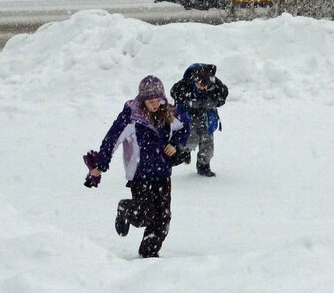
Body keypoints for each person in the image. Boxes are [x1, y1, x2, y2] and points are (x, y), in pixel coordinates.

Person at [83, 75, 189, 258]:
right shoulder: (131, 117)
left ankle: (149, 255)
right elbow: (112, 140)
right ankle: (124, 209)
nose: (155, 104)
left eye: (158, 100)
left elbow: (185, 126)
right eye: (151, 101)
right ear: (143, 100)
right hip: (140, 175)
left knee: (162, 218)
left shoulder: (169, 113)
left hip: (163, 174)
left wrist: (176, 144)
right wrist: (100, 165)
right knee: (144, 215)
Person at [170, 63, 228, 177]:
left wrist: (212, 101)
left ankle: (204, 166)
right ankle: (185, 152)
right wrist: (187, 101)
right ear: (193, 80)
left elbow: (223, 96)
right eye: (199, 85)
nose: (202, 88)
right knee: (189, 138)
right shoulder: (184, 84)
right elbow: (174, 92)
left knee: (208, 143)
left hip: (207, 117)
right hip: (188, 118)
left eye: (205, 85)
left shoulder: (215, 85)